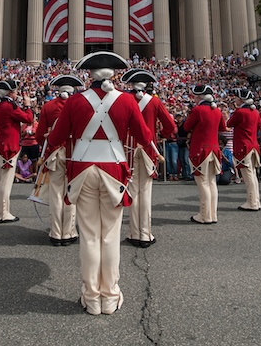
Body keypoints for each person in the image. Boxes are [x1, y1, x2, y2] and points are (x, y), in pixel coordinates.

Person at [47, 51, 150, 316]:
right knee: (110, 237)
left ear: (88, 75)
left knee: (90, 237)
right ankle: (110, 294)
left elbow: (56, 137)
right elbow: (144, 135)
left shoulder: (75, 101)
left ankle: (92, 297)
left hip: (82, 170)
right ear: (113, 75)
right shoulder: (127, 101)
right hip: (114, 171)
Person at [123, 69, 175, 247]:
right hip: (148, 148)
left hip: (128, 149)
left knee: (132, 191)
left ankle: (134, 232)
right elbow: (170, 125)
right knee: (145, 192)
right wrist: (161, 135)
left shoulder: (123, 101)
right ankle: (145, 234)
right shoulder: (154, 102)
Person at [35, 75, 84, 246]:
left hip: (54, 153)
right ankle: (69, 231)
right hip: (75, 153)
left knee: (56, 193)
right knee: (71, 192)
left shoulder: (48, 106)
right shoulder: (80, 105)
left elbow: (40, 135)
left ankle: (56, 232)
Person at [0, 79, 34, 223]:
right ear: (10, 92)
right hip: (8, 146)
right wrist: (28, 105)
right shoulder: (9, 106)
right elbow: (29, 118)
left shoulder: (0, 105)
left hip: (0, 144)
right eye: (15, 91)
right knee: (5, 181)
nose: (17, 94)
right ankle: (3, 213)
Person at [183, 85, 225, 222]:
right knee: (212, 182)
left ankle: (204, 215)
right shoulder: (217, 110)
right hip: (214, 148)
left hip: (200, 149)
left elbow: (186, 127)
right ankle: (213, 214)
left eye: (195, 97)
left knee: (203, 183)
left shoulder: (198, 110)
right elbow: (223, 128)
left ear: (199, 97)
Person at [228, 88, 261, 210]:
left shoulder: (240, 112)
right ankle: (255, 200)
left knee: (248, 176)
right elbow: (259, 125)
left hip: (243, 145)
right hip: (253, 144)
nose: (235, 100)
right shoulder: (255, 112)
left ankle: (252, 202)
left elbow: (229, 123)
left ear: (241, 99)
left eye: (237, 98)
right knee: (252, 174)